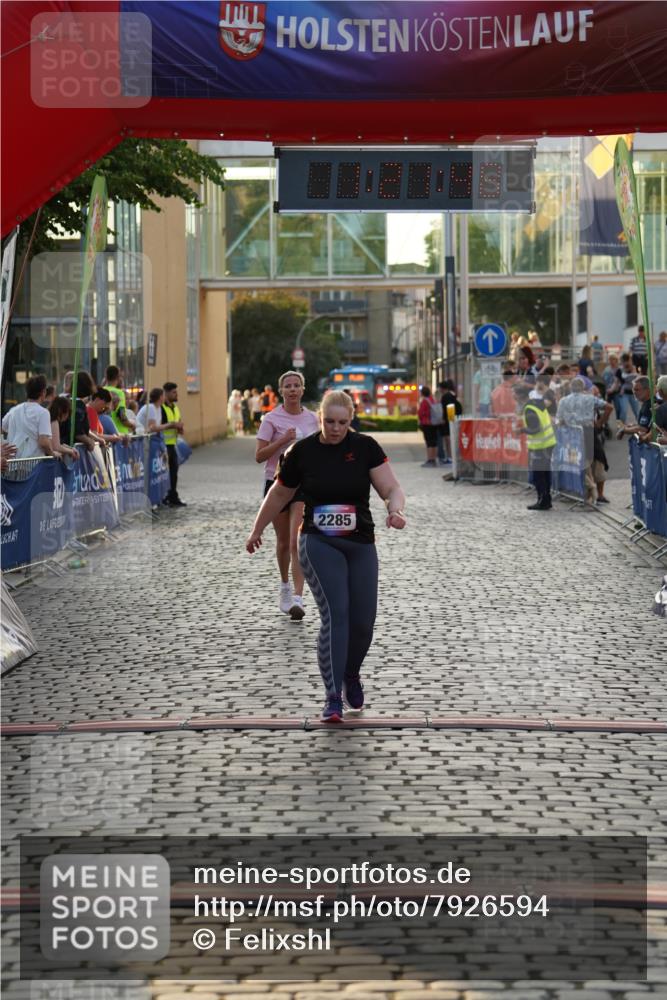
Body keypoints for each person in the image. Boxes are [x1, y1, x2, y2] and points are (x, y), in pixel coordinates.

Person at [245, 390, 406, 722]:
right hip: (318, 542)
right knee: (337, 614)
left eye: (343, 423)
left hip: (360, 542)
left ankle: (351, 674)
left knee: (363, 622)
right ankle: (332, 697)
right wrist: (257, 529)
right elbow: (279, 494)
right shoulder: (302, 452)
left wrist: (395, 510)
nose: (336, 429)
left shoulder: (365, 448)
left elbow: (391, 488)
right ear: (319, 419)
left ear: (351, 420)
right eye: (329, 422)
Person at [254, 370, 320, 620]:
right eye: (288, 386)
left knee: (296, 541)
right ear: (281, 391)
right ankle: (284, 587)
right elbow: (259, 456)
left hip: (304, 485)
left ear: (303, 390)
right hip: (277, 484)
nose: (292, 389)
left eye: (296, 385)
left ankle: (298, 597)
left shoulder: (313, 419)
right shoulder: (271, 419)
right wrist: (282, 440)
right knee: (283, 542)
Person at [513, 382, 556, 511]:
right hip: (548, 442)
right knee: (545, 473)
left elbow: (535, 428)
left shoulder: (529, 409)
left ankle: (543, 501)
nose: (512, 396)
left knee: (538, 475)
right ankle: (546, 500)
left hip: (540, 445)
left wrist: (521, 431)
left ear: (519, 396)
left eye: (513, 394)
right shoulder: (537, 402)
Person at [2, 374, 54, 458]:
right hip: (34, 465)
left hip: (12, 463)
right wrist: (53, 454)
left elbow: (2, 427)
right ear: (43, 392)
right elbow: (43, 442)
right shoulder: (43, 413)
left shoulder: (14, 410)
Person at [162, 382, 186, 507]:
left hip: (172, 444)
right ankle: (165, 496)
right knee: (164, 473)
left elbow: (179, 422)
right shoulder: (162, 408)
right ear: (166, 393)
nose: (177, 394)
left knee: (174, 472)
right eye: (174, 392)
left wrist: (180, 428)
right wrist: (173, 425)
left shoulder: (175, 408)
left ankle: (173, 496)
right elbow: (160, 426)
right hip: (163, 445)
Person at [616, 376, 653, 444]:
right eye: (633, 390)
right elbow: (645, 425)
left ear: (647, 390)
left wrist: (624, 430)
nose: (634, 392)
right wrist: (631, 426)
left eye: (637, 389)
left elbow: (642, 428)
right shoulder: (647, 403)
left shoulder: (649, 405)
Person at [102, 365, 134, 433]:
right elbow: (122, 416)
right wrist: (132, 425)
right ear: (118, 377)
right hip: (119, 433)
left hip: (104, 433)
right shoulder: (119, 393)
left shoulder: (100, 391)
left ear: (106, 377)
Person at [48, 397, 79, 461]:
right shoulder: (54, 421)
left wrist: (70, 449)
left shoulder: (49, 417)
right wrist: (71, 451)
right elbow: (56, 447)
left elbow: (54, 443)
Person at [439, 379, 462, 462]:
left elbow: (449, 407)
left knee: (448, 439)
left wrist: (448, 419)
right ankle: (450, 456)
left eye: (439, 388)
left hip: (448, 421)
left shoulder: (446, 396)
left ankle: (450, 457)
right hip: (451, 419)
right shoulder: (452, 395)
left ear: (442, 388)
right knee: (449, 439)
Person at [417, 384, 440, 467]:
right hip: (434, 423)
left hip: (426, 423)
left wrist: (420, 420)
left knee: (429, 442)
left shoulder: (424, 401)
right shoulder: (432, 399)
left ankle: (430, 459)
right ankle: (434, 459)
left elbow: (421, 413)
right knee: (434, 442)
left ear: (422, 393)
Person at [615, 354, 639, 423]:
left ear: (630, 360)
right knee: (624, 411)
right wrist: (611, 390)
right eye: (624, 362)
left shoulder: (636, 368)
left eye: (628, 361)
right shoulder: (620, 370)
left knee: (637, 411)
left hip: (634, 393)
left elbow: (641, 378)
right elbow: (616, 382)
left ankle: (641, 427)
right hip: (624, 393)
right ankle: (622, 427)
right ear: (622, 362)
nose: (626, 364)